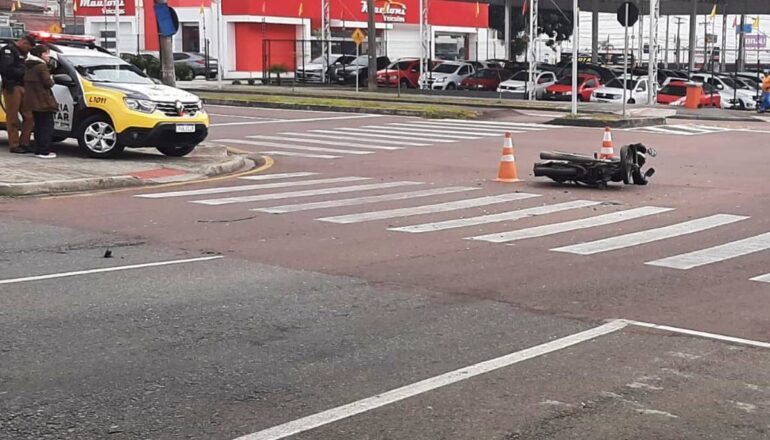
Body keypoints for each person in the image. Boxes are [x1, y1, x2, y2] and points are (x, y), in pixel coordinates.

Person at [0, 35, 35, 154]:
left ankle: (25, 143)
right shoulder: (8, 51)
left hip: (24, 86)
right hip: (12, 86)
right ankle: (14, 145)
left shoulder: (22, 53)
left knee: (29, 116)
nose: (28, 51)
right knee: (13, 117)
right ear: (24, 43)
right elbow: (7, 69)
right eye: (28, 48)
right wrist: (24, 71)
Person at [23, 45, 58, 159]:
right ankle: (44, 151)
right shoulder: (41, 66)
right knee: (46, 127)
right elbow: (48, 83)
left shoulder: (29, 65)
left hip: (33, 101)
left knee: (38, 126)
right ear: (40, 54)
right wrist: (52, 78)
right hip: (43, 101)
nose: (48, 56)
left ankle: (38, 149)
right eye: (46, 53)